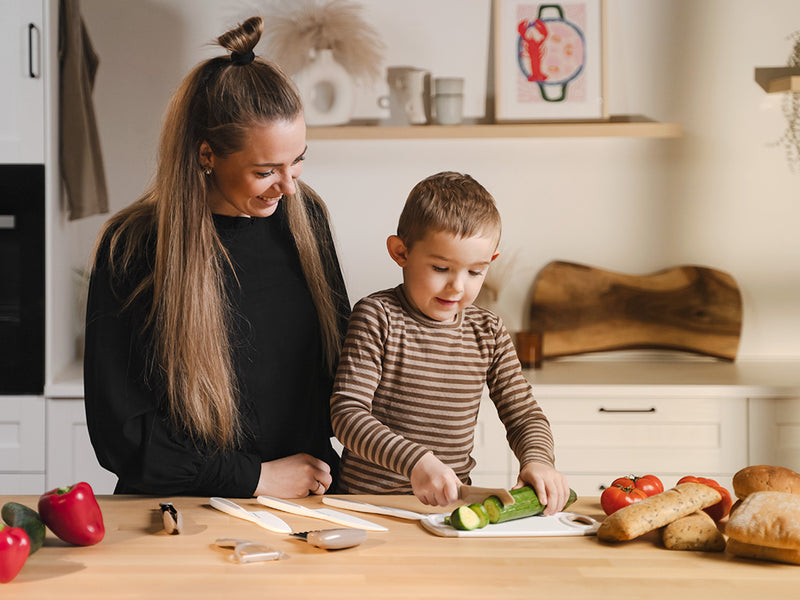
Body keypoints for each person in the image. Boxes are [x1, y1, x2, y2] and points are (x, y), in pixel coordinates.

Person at [83, 17, 350, 498]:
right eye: (266, 170)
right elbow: (120, 433)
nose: (288, 187)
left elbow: (344, 375)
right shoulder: (132, 245)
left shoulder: (306, 216)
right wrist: (255, 478)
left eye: (298, 160)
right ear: (207, 155)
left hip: (310, 499)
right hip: (183, 506)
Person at [330, 171, 569, 513]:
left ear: (491, 263)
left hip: (449, 507)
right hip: (368, 504)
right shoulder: (377, 316)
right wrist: (416, 462)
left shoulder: (488, 331)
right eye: (441, 268)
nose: (458, 286)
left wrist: (538, 460)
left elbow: (524, 414)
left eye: (474, 272)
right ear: (401, 252)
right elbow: (347, 415)